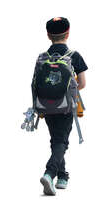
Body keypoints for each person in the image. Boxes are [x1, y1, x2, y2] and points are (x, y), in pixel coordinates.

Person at [39, 17, 87, 195]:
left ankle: (62, 176)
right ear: (68, 33)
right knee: (61, 141)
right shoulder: (74, 55)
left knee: (56, 140)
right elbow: (81, 83)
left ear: (48, 35)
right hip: (66, 106)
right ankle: (49, 173)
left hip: (45, 105)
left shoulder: (42, 57)